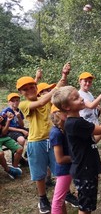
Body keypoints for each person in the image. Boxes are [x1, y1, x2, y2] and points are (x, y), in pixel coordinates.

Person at [51, 86, 101, 214]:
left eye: (79, 96)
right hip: (85, 170)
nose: (81, 99)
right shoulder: (75, 123)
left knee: (87, 204)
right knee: (85, 208)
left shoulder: (76, 121)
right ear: (67, 107)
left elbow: (94, 138)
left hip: (86, 168)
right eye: (76, 98)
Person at [16, 62, 70, 214]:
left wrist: (64, 76)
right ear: (21, 93)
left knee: (59, 170)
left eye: (32, 87)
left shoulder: (46, 99)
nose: (29, 90)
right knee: (39, 173)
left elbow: (51, 93)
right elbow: (39, 100)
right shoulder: (24, 104)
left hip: (52, 140)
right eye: (25, 89)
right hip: (36, 142)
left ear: (37, 87)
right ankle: (42, 198)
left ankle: (62, 195)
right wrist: (52, 89)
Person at [49, 105, 78, 214]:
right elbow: (60, 159)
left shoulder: (65, 129)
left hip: (69, 167)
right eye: (66, 112)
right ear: (58, 114)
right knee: (57, 201)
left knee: (62, 196)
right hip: (64, 170)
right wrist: (78, 157)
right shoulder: (56, 133)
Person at [78, 72, 101, 143]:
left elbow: (96, 105)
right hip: (86, 124)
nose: (88, 83)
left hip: (93, 123)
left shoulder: (89, 94)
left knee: (93, 142)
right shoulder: (79, 94)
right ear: (80, 82)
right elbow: (91, 106)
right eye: (85, 81)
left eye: (90, 82)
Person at [0, 112, 23, 179]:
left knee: (19, 149)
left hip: (4, 137)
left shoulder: (1, 116)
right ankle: (8, 170)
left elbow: (4, 132)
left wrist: (8, 121)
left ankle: (14, 167)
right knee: (1, 154)